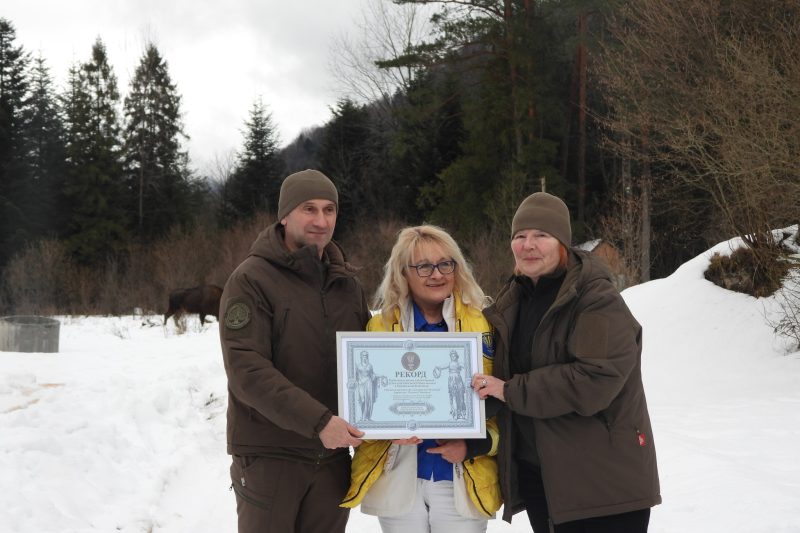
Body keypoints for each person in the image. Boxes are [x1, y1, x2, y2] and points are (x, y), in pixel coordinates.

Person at [471, 192, 661, 532]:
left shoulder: (595, 299)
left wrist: (511, 390)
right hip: (543, 476)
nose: (528, 245)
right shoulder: (513, 299)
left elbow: (595, 379)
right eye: (520, 236)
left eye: (541, 235)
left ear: (562, 243)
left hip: (602, 483)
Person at [219, 169, 371, 533]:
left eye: (329, 210)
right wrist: (319, 422)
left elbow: (368, 362)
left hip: (332, 460)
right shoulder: (252, 279)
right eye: (309, 209)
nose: (321, 220)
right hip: (272, 456)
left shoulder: (346, 284)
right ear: (285, 215)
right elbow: (247, 370)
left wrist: (398, 417)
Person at [341, 225, 502, 533]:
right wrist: (383, 431)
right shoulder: (379, 328)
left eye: (445, 264)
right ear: (403, 273)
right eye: (424, 266)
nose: (437, 274)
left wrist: (473, 445)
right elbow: (361, 407)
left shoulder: (484, 325)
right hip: (399, 478)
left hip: (463, 477)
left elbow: (505, 405)